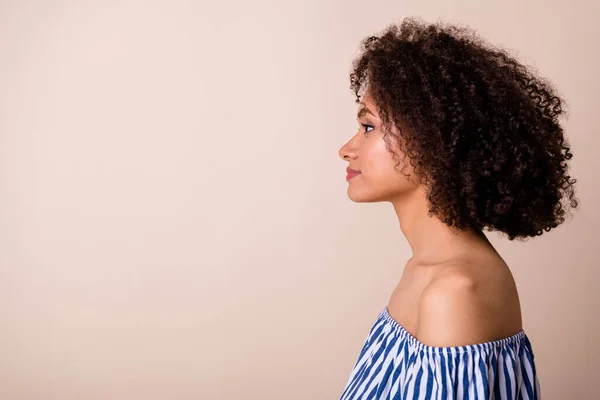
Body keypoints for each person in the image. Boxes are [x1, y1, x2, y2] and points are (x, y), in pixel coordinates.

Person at [337, 17, 578, 400]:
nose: (346, 149)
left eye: (368, 127)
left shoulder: (454, 293)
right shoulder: (423, 272)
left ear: (432, 139)